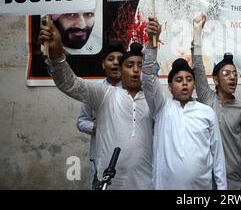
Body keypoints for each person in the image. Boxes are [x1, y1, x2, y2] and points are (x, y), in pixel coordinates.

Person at [38, 19, 154, 189]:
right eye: (129, 65)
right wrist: (56, 55)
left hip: (146, 182)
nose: (136, 70)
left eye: (140, 66)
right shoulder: (102, 93)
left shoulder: (154, 99)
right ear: (121, 69)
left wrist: (152, 42)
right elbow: (70, 83)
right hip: (109, 182)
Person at [142, 15, 227, 190]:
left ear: (194, 84)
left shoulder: (206, 112)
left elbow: (217, 156)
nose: (185, 83)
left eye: (189, 79)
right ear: (170, 87)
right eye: (179, 80)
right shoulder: (161, 108)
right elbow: (148, 78)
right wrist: (152, 43)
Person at [191, 14, 241, 190]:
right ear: (216, 80)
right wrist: (197, 33)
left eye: (235, 74)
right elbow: (197, 66)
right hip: (206, 176)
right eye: (227, 74)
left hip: (234, 179)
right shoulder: (206, 98)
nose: (232, 77)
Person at [76, 40, 125, 189]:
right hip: (100, 156)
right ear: (103, 65)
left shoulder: (134, 91)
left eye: (120, 60)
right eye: (111, 59)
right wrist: (95, 127)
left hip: (127, 158)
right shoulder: (93, 90)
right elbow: (81, 121)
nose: (116, 63)